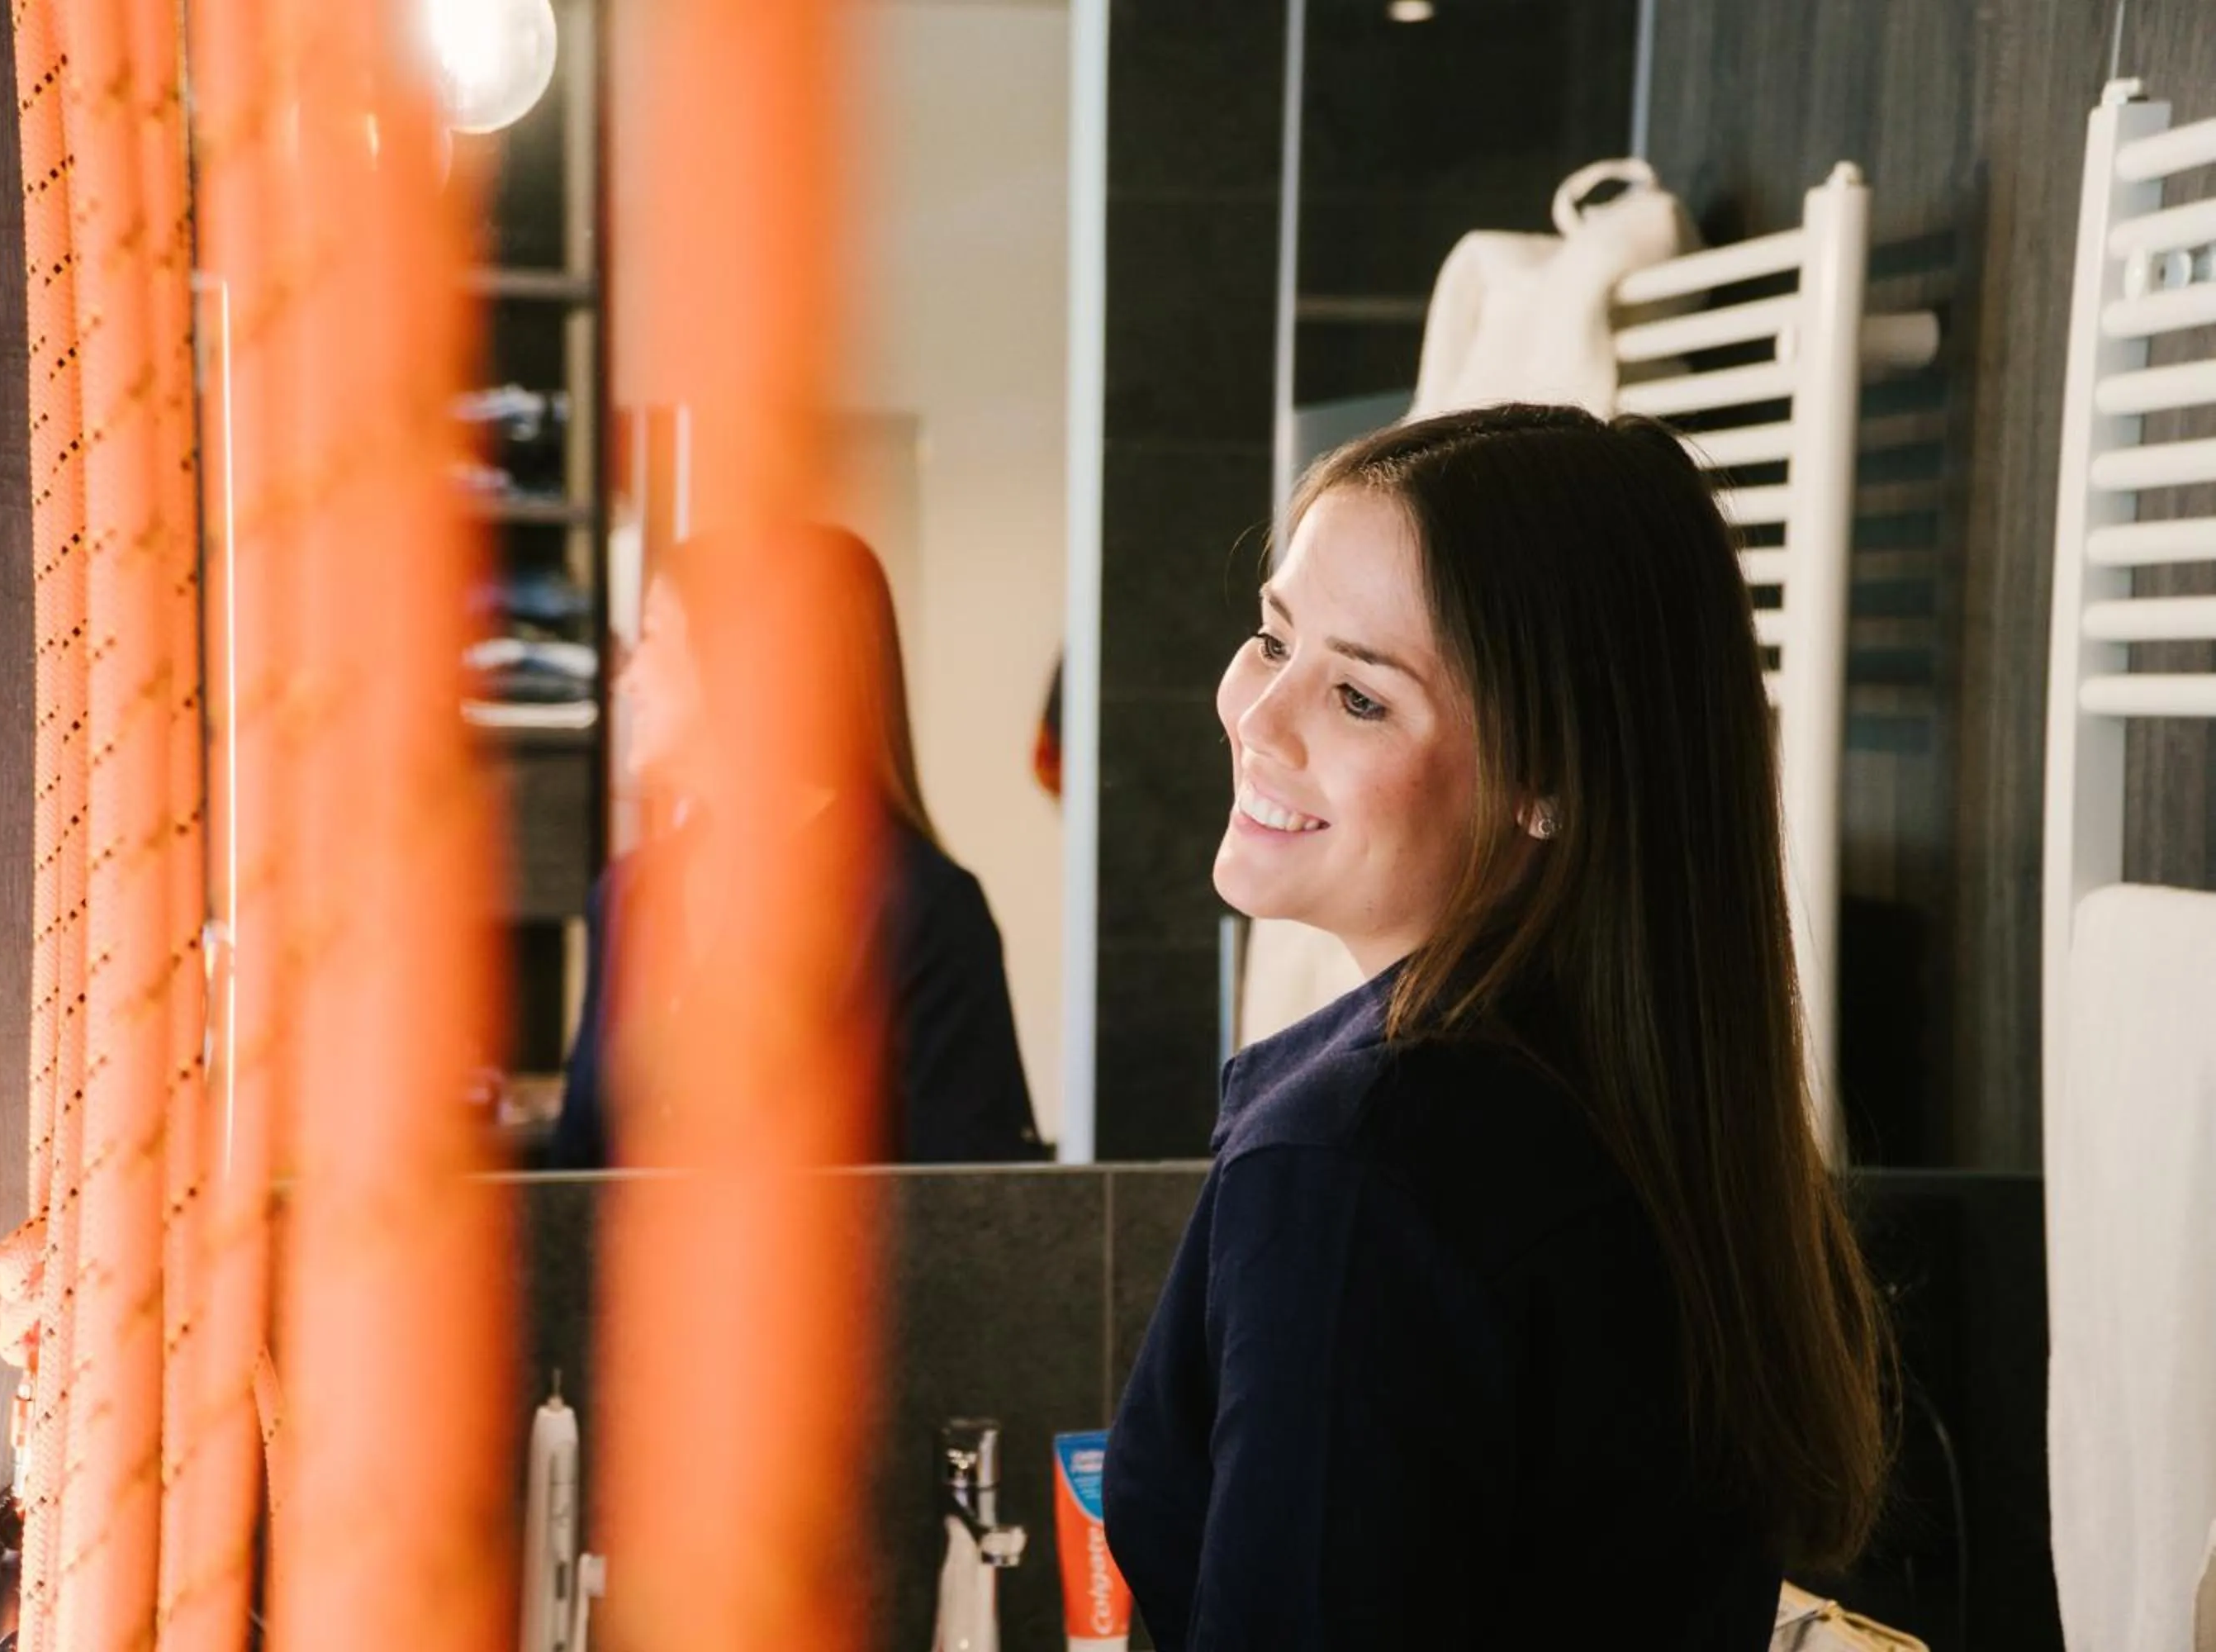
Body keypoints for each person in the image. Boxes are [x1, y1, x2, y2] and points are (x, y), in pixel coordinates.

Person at [1103, 405, 1891, 1647]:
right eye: (1273, 638)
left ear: (1546, 786)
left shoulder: (1358, 1170)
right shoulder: (1631, 1093)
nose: (1259, 715)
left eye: (1361, 697)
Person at [545, 525, 1044, 1168]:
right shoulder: (628, 897)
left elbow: (973, 1214)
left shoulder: (924, 912)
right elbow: (574, 1183)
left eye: (649, 638)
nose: (626, 680)